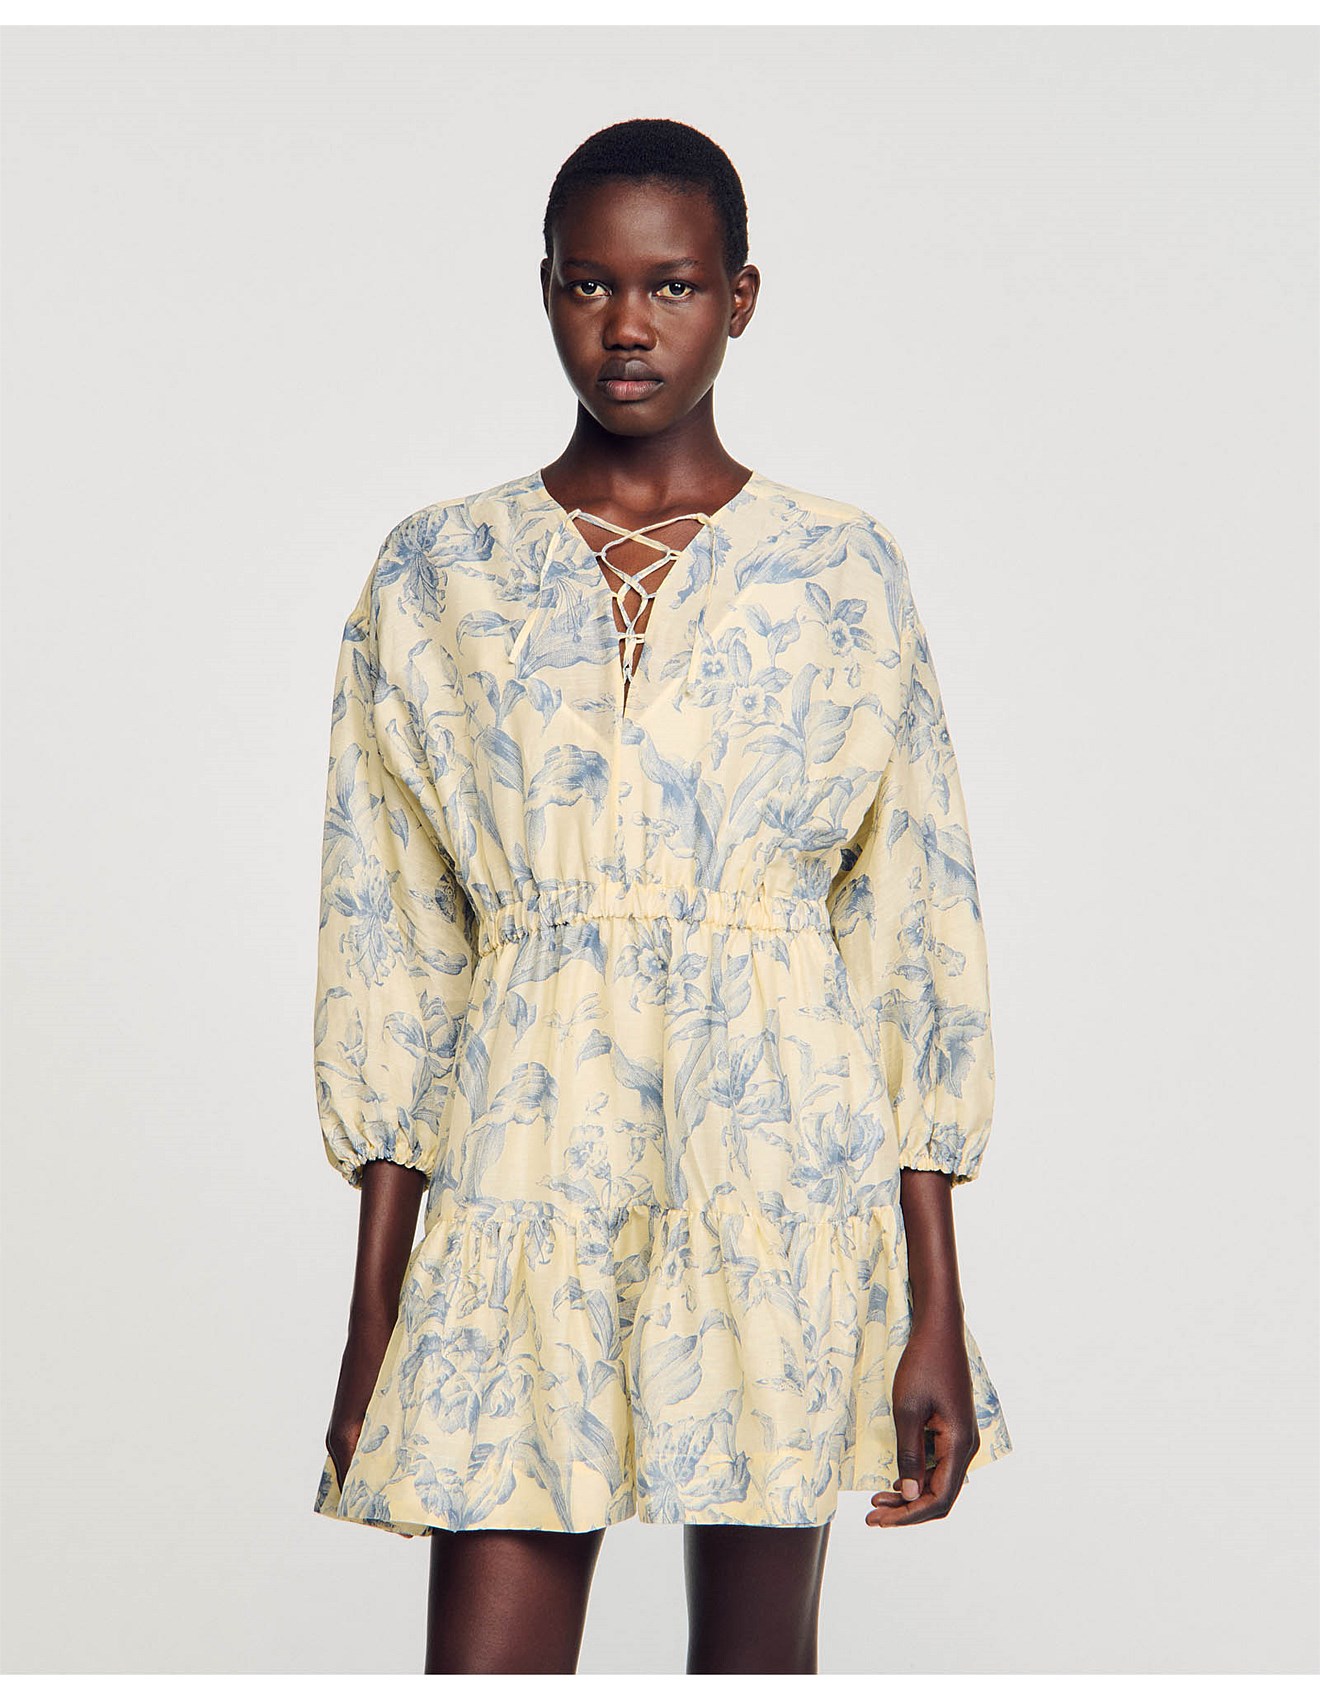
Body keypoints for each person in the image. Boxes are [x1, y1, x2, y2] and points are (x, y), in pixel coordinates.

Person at [311, 117, 1012, 1676]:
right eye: (590, 284)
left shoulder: (842, 571)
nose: (626, 325)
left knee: (753, 1670)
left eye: (673, 285)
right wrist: (374, 1321)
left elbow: (911, 940)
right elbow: (392, 953)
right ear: (546, 292)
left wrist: (936, 1308)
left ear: (740, 298)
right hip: (523, 1174)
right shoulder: (437, 574)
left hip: (778, 1177)